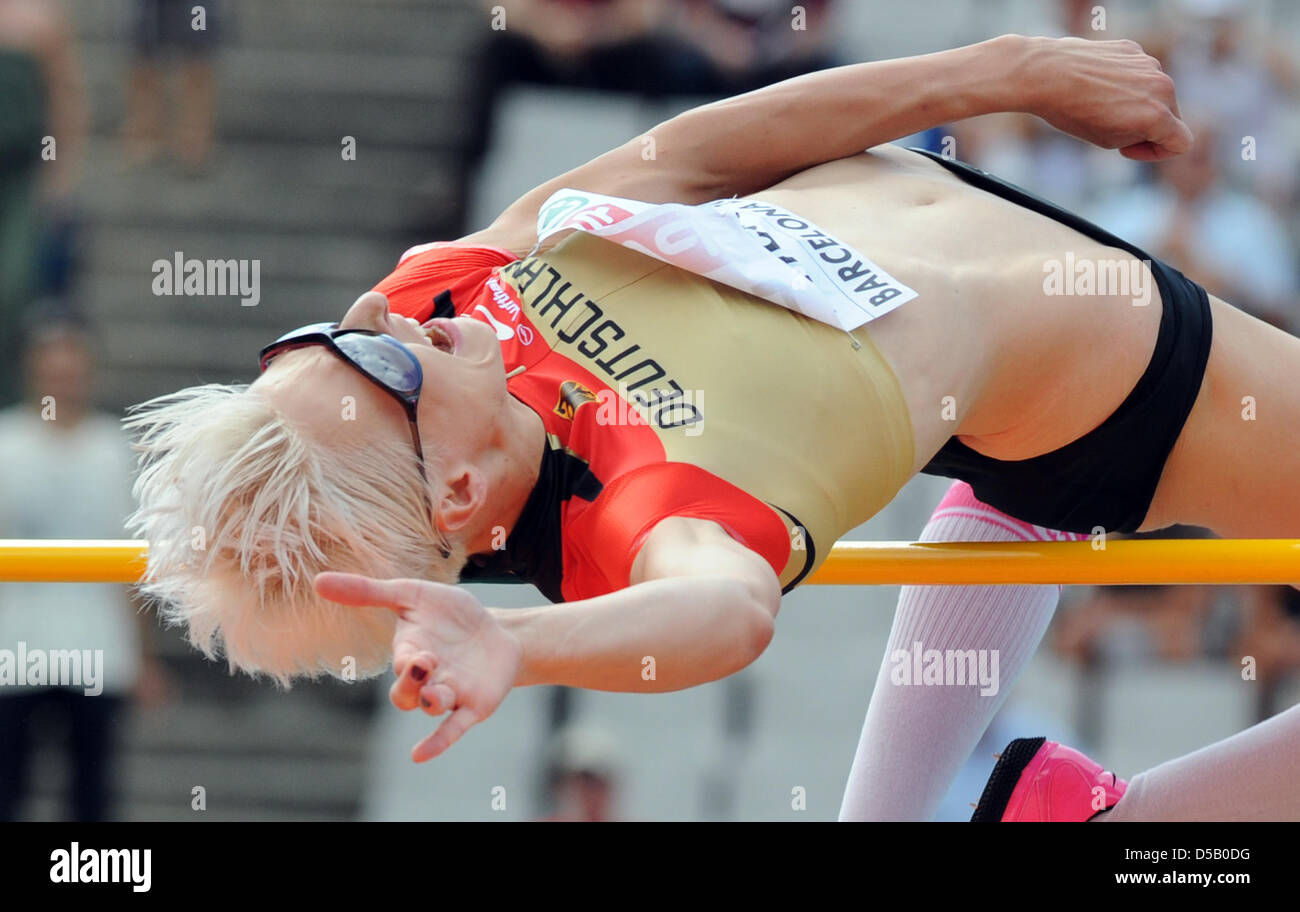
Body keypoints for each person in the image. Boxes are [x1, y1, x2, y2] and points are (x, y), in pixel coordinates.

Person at [125, 34, 1295, 802]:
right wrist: (518, 649)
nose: (386, 314)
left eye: (332, 337)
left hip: (976, 379)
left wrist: (1010, 71)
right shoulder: (644, 509)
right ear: (458, 495)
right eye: (385, 364)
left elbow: (695, 153)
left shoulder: (449, 298)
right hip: (1124, 381)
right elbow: (724, 613)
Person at [0, 312, 165, 821]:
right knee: (8, 783)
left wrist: (142, 654)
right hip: (14, 643)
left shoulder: (113, 450)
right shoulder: (7, 444)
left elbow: (133, 560)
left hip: (97, 646)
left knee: (93, 791)